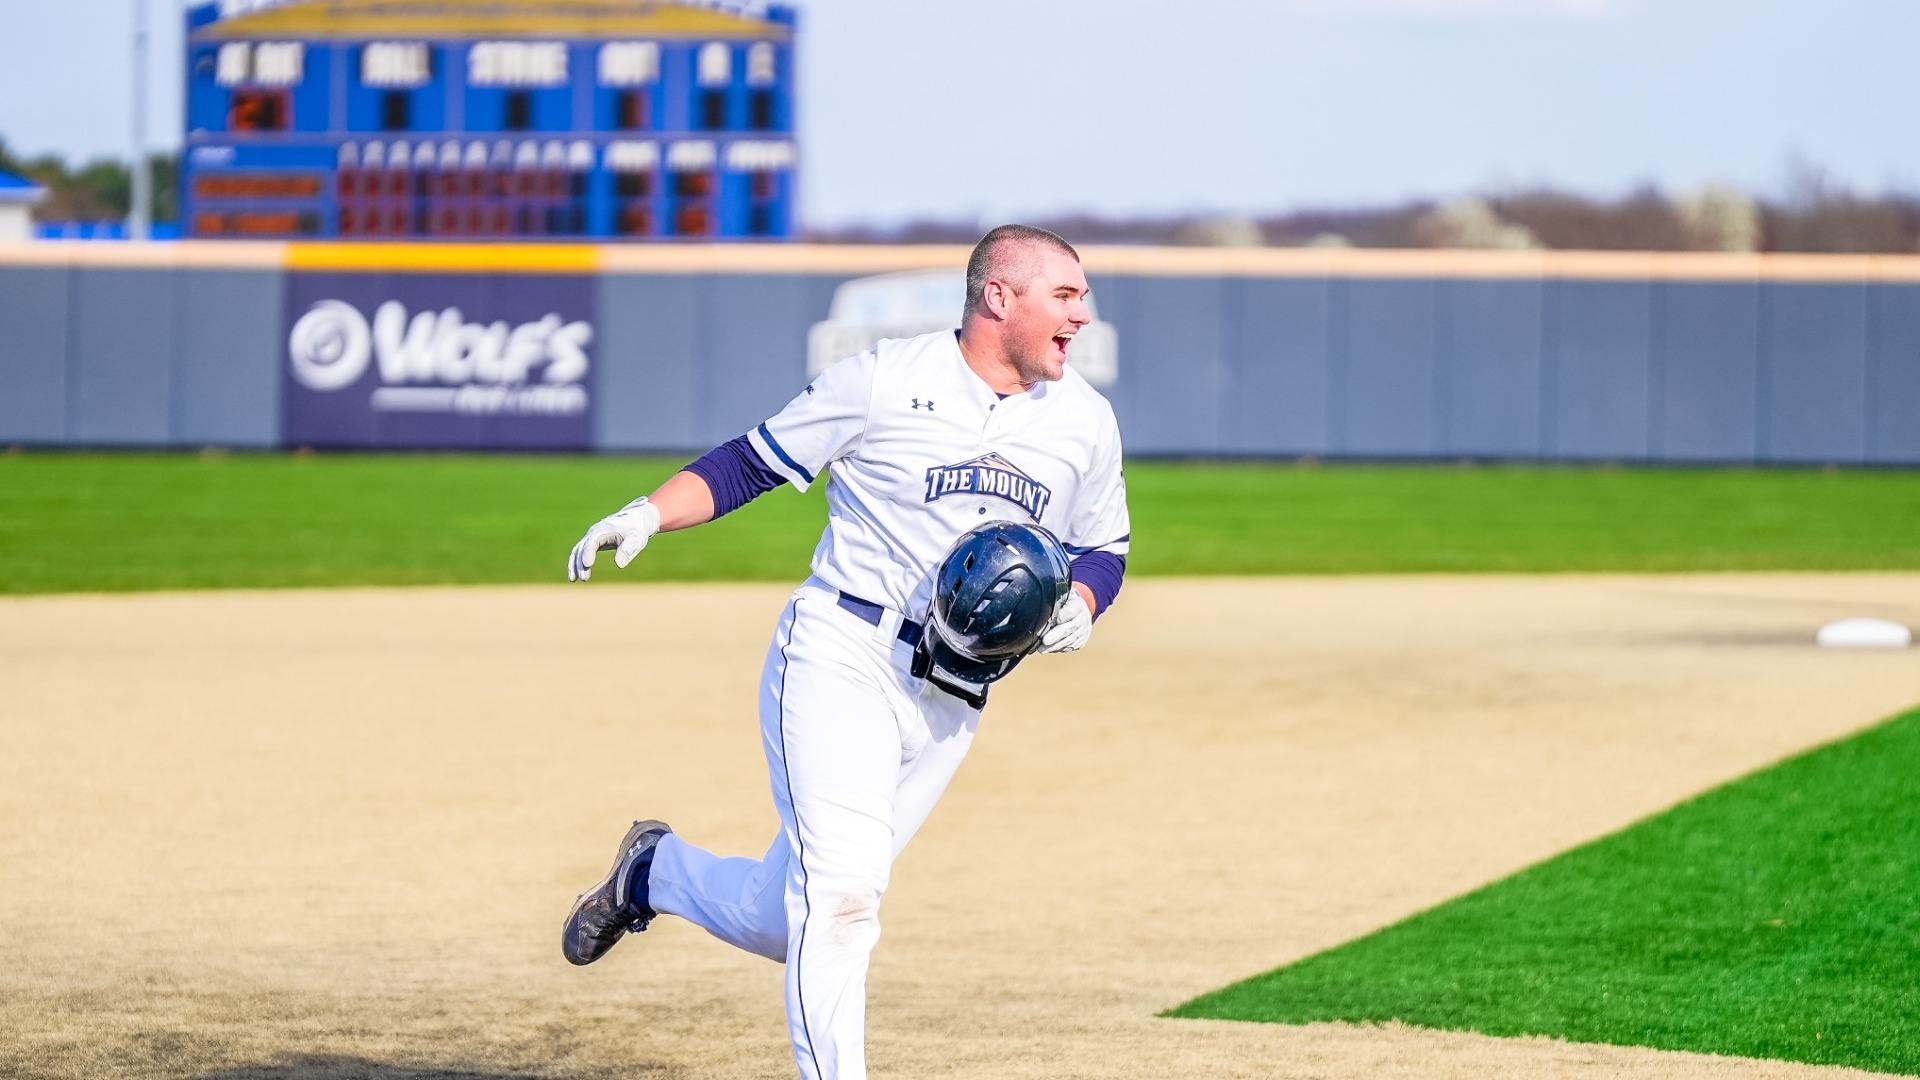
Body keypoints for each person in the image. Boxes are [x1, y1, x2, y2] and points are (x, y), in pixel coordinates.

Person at [559, 224, 1131, 1080]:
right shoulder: (884, 380)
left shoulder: (1083, 419)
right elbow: (751, 463)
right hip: (843, 653)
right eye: (1066, 295)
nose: (1083, 314)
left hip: (954, 697)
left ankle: (655, 873)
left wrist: (1082, 602)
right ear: (999, 296)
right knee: (843, 903)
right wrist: (647, 513)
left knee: (785, 919)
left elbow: (1104, 546)